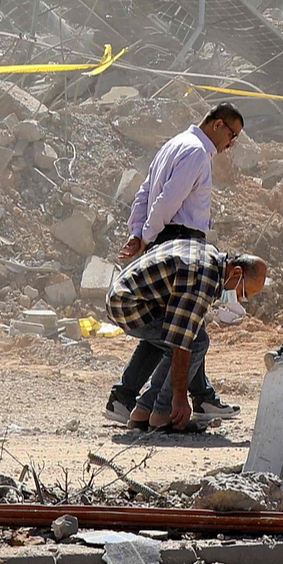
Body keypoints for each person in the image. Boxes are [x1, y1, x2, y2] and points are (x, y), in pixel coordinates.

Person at [103, 103, 245, 428]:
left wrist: (139, 233)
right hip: (180, 240)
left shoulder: (175, 143)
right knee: (188, 330)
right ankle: (172, 403)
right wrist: (148, 236)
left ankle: (125, 398)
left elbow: (144, 192)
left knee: (170, 330)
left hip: (166, 239)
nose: (231, 144)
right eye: (232, 134)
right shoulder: (196, 152)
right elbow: (167, 198)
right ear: (218, 124)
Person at [105, 239, 267, 431]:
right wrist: (179, 398)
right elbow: (182, 341)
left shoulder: (210, 255)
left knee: (185, 337)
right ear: (236, 272)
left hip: (124, 296)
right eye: (243, 293)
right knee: (197, 341)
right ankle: (162, 415)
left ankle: (143, 412)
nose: (239, 299)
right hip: (129, 305)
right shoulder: (205, 277)